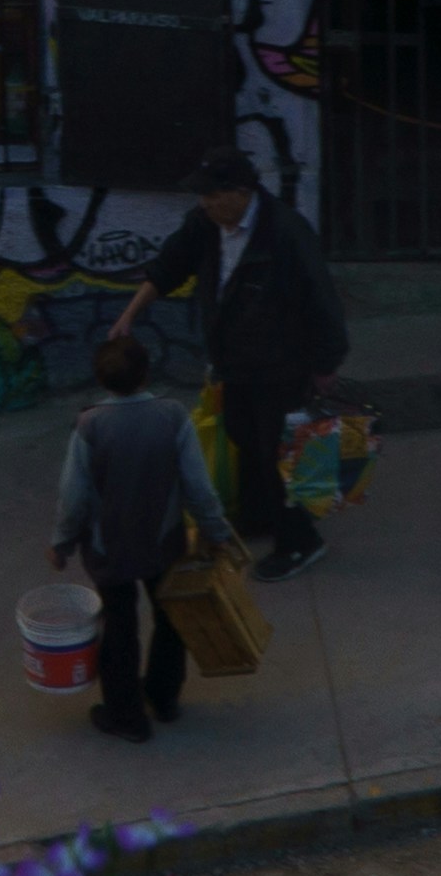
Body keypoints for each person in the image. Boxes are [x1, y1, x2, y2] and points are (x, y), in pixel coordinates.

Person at [111, 144, 346, 576]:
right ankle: (261, 517)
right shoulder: (205, 224)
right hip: (234, 360)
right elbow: (169, 267)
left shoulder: (286, 233)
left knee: (277, 450)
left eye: (213, 195)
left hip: (280, 361)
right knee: (243, 436)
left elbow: (322, 300)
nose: (205, 204)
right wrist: (129, 316)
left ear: (241, 192)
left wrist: (326, 364)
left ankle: (299, 541)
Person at [52, 329, 227, 742]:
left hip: (108, 549)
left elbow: (72, 498)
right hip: (163, 543)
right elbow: (198, 487)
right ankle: (164, 698)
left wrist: (61, 543)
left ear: (102, 380)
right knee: (170, 617)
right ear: (147, 373)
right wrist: (215, 531)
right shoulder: (172, 417)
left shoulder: (90, 426)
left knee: (119, 625)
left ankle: (126, 716)